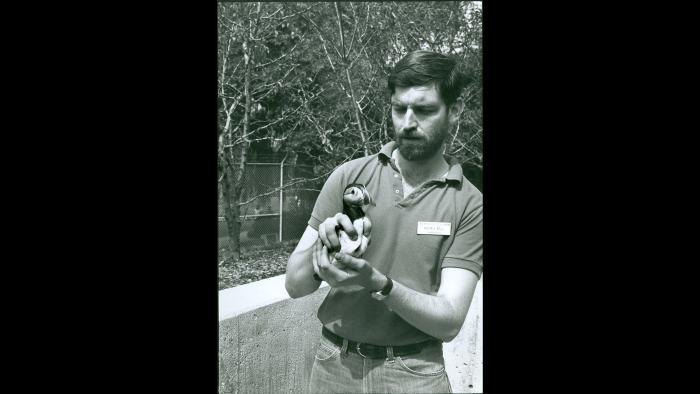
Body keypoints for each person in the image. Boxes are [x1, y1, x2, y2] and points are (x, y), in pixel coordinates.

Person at [285, 50, 482, 393]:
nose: (407, 122)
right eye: (398, 108)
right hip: (334, 364)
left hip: (415, 373)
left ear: (454, 112)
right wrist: (323, 249)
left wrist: (379, 283)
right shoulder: (349, 176)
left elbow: (450, 321)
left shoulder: (469, 202)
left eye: (424, 110)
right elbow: (295, 285)